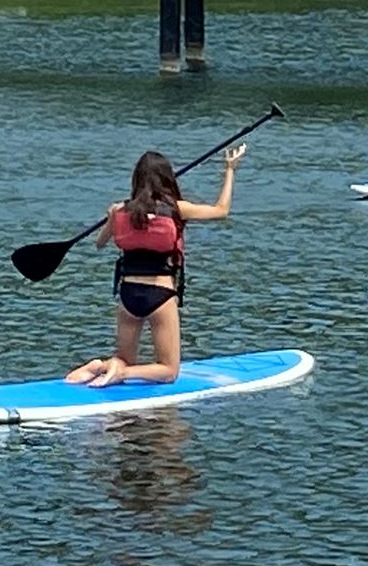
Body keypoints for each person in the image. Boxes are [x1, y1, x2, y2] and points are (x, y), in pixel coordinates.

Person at [66, 144, 245, 387]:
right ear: (166, 179)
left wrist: (111, 218)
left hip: (128, 294)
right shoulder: (177, 209)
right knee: (169, 371)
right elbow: (221, 210)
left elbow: (99, 243)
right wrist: (230, 169)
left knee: (124, 358)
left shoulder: (119, 210)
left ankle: (103, 366)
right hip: (160, 294)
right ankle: (121, 373)